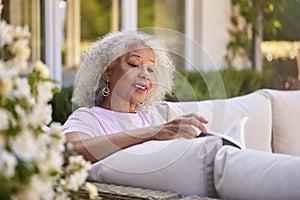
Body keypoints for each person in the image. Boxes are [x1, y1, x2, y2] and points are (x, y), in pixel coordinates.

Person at [62, 30, 209, 163]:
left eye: (151, 69)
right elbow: (70, 151)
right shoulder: (87, 118)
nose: (145, 74)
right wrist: (151, 133)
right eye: (134, 64)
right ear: (107, 73)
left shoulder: (157, 116)